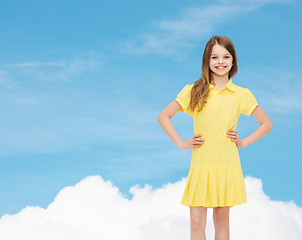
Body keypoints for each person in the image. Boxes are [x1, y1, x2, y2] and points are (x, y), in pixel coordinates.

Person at [157, 35, 273, 240]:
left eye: (226, 57)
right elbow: (163, 116)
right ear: (207, 61)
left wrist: (243, 142)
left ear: (233, 61)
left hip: (227, 165)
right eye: (215, 57)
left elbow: (266, 124)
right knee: (196, 222)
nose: (220, 62)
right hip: (201, 165)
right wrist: (182, 143)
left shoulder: (241, 94)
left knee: (221, 221)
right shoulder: (193, 90)